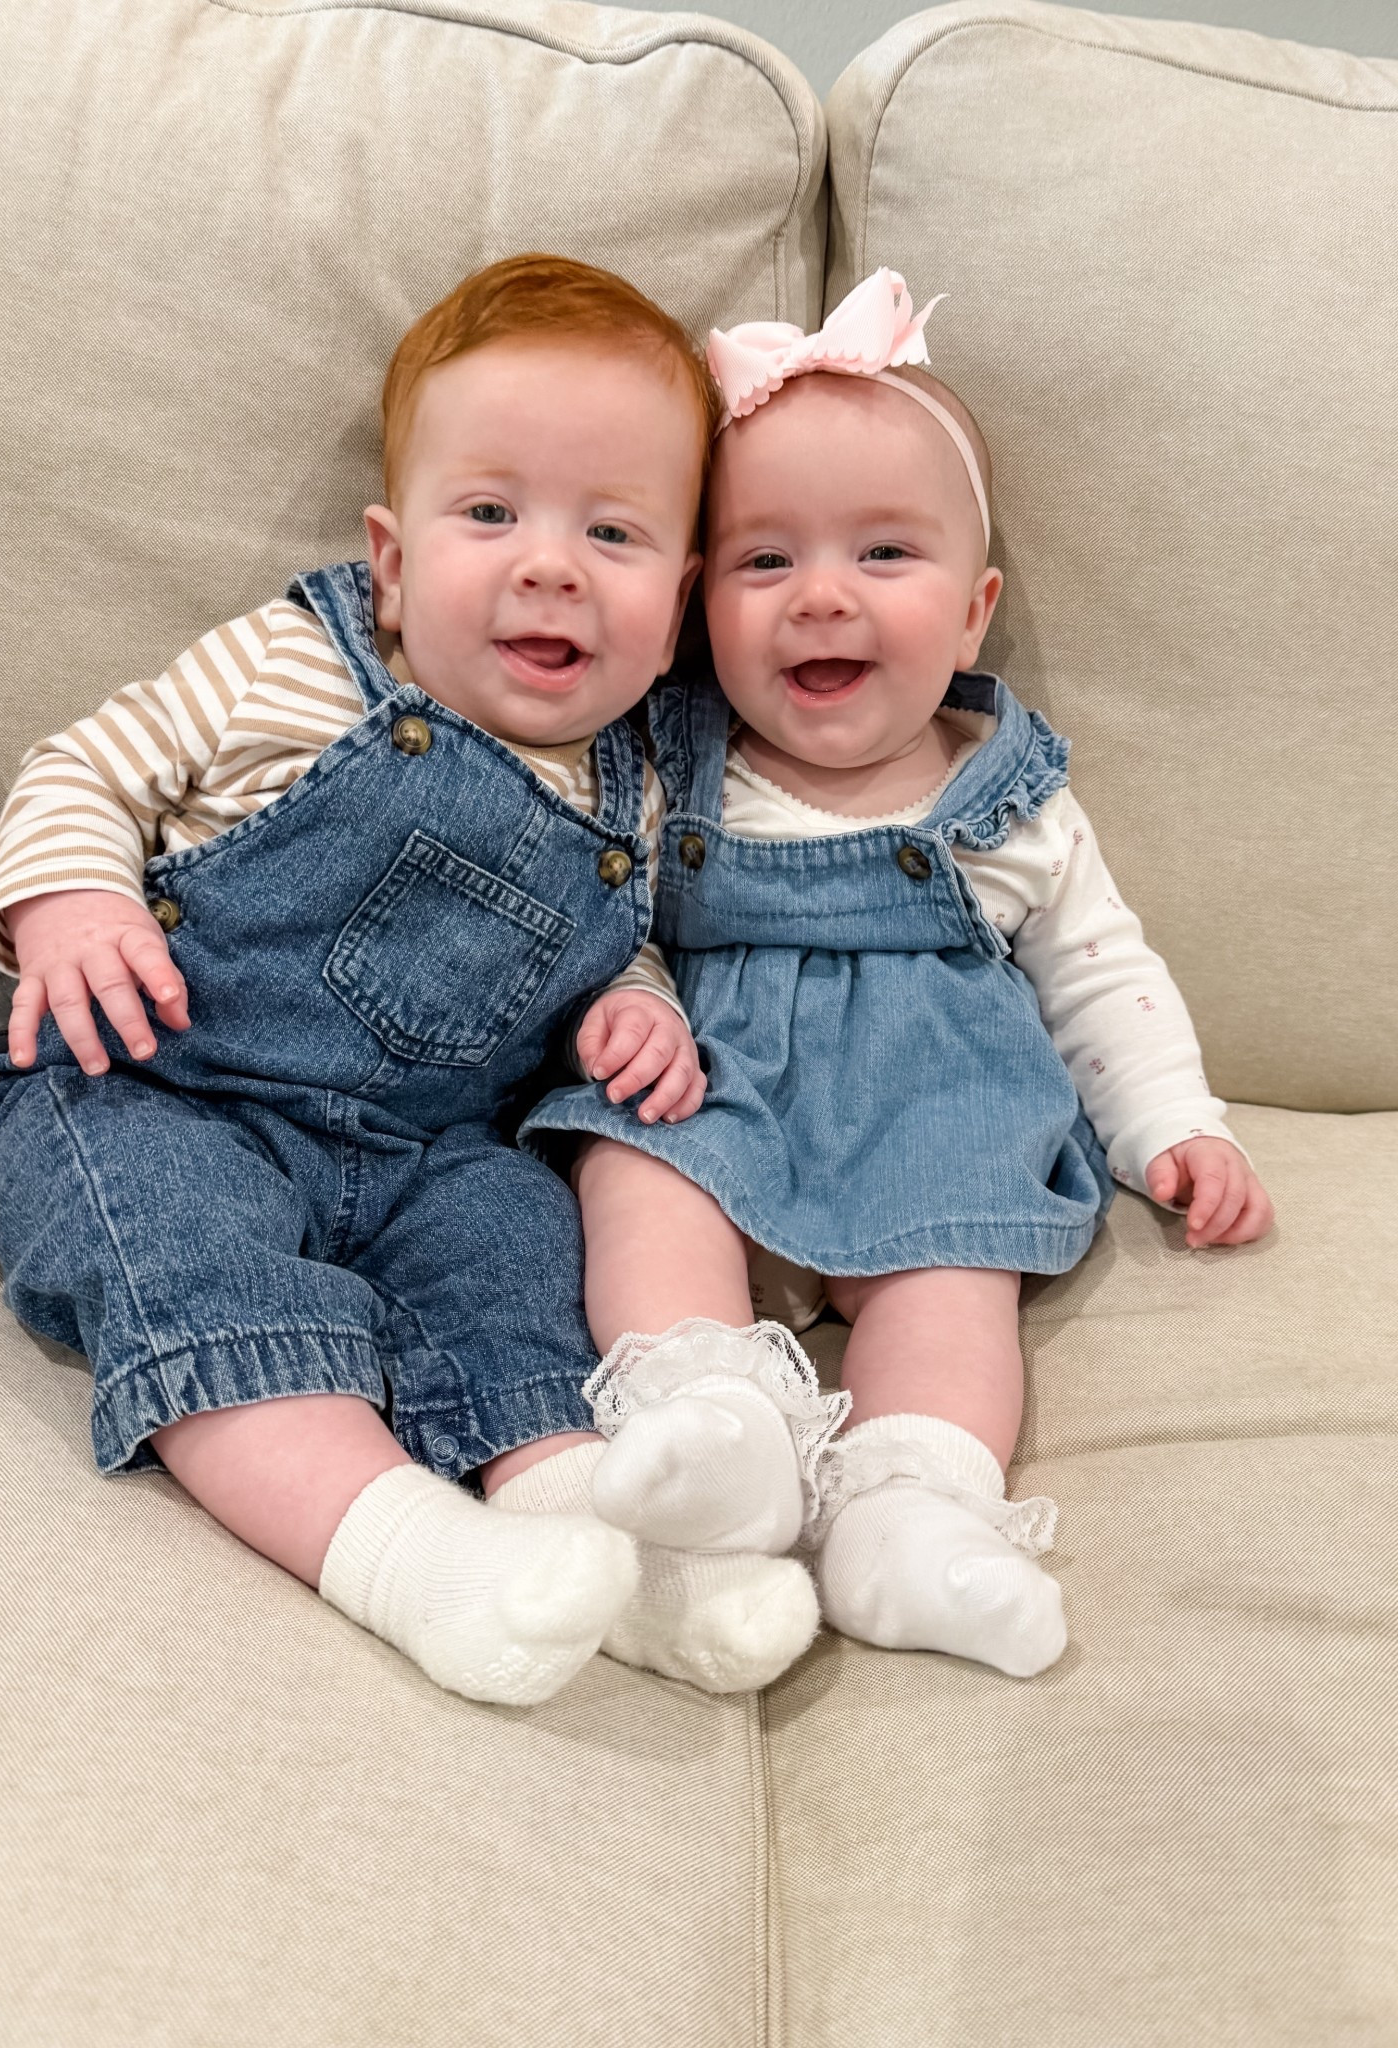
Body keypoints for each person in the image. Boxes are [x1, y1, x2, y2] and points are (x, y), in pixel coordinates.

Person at [0, 253, 820, 1706]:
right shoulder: (288, 666)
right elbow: (84, 768)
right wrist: (69, 905)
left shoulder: (630, 791)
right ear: (394, 558)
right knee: (194, 1269)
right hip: (162, 1092)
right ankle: (413, 1559)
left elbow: (621, 946)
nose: (547, 563)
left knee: (517, 1270)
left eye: (611, 532)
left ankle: (607, 1556)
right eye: (490, 514)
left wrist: (640, 1015)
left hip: (431, 1150)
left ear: (679, 600)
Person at [521, 267, 1275, 1679]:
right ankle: (713, 1425)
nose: (820, 598)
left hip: (936, 1123)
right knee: (634, 1176)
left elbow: (1104, 974)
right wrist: (638, 1003)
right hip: (716, 1100)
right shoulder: (665, 763)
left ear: (975, 610)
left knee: (954, 1296)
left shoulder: (1010, 801)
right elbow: (594, 916)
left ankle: (914, 1514)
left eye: (883, 556)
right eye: (765, 561)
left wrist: (1177, 1124)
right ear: (694, 606)